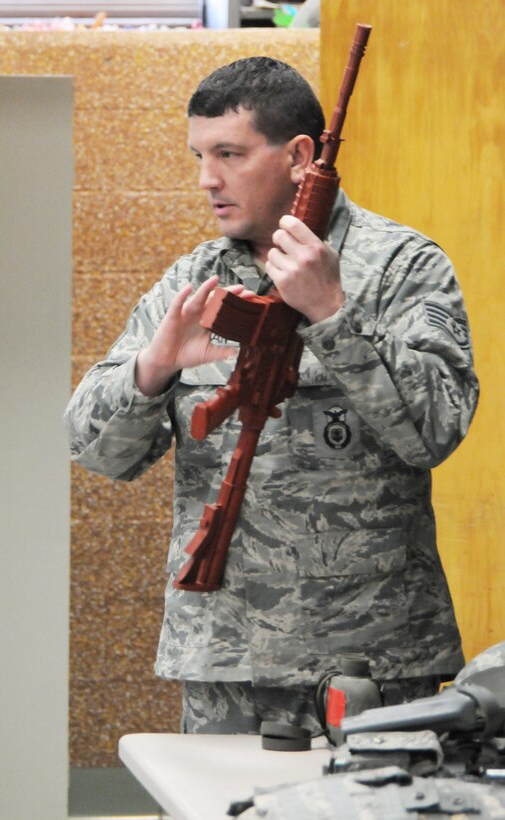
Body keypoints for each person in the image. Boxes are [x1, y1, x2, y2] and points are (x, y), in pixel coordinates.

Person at [65, 57, 479, 735]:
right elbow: (92, 448)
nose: (207, 178)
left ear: (299, 156)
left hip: (370, 659)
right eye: (200, 155)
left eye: (229, 154)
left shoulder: (403, 266)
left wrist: (332, 312)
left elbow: (434, 430)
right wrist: (155, 366)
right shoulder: (194, 278)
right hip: (226, 658)